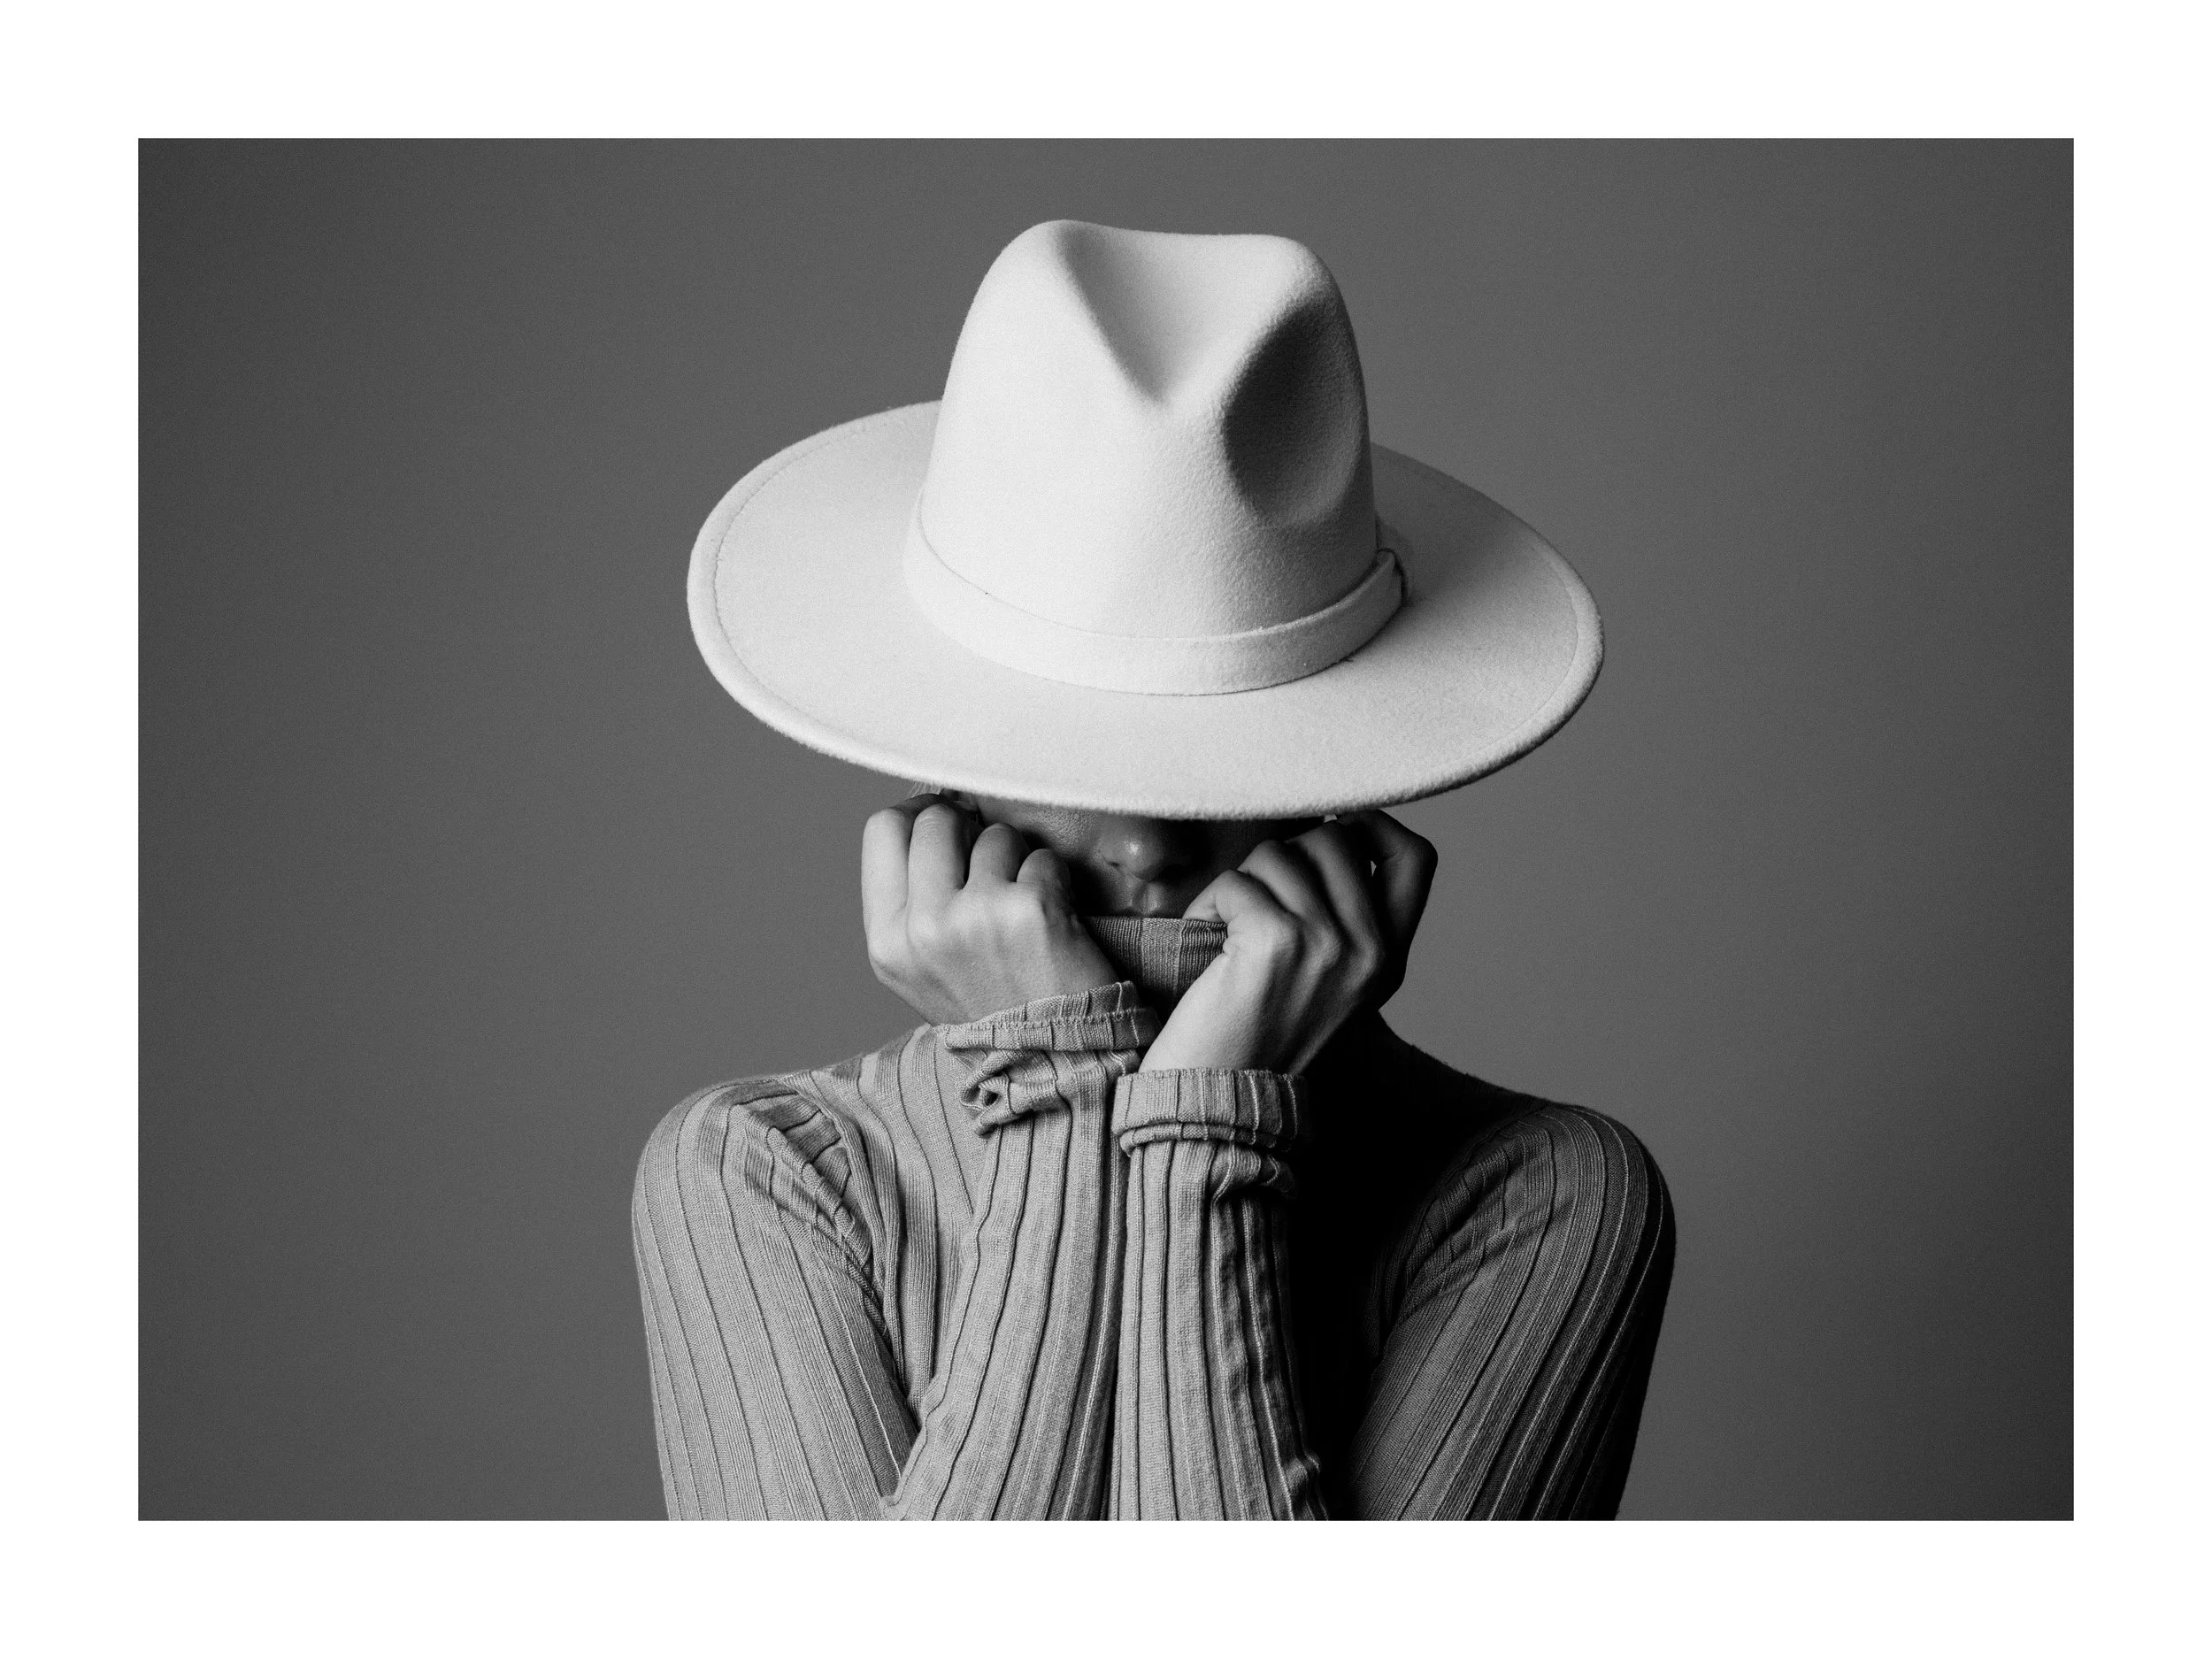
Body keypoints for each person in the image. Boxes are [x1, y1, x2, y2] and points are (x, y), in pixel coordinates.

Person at [633, 220, 1675, 1519]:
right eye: (1064, 753)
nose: (1145, 845)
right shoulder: (768, 1174)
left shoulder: (1540, 1198)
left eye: (1228, 763)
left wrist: (1205, 1131)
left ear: (1352, 777)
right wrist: (1069, 1096)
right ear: (941, 758)